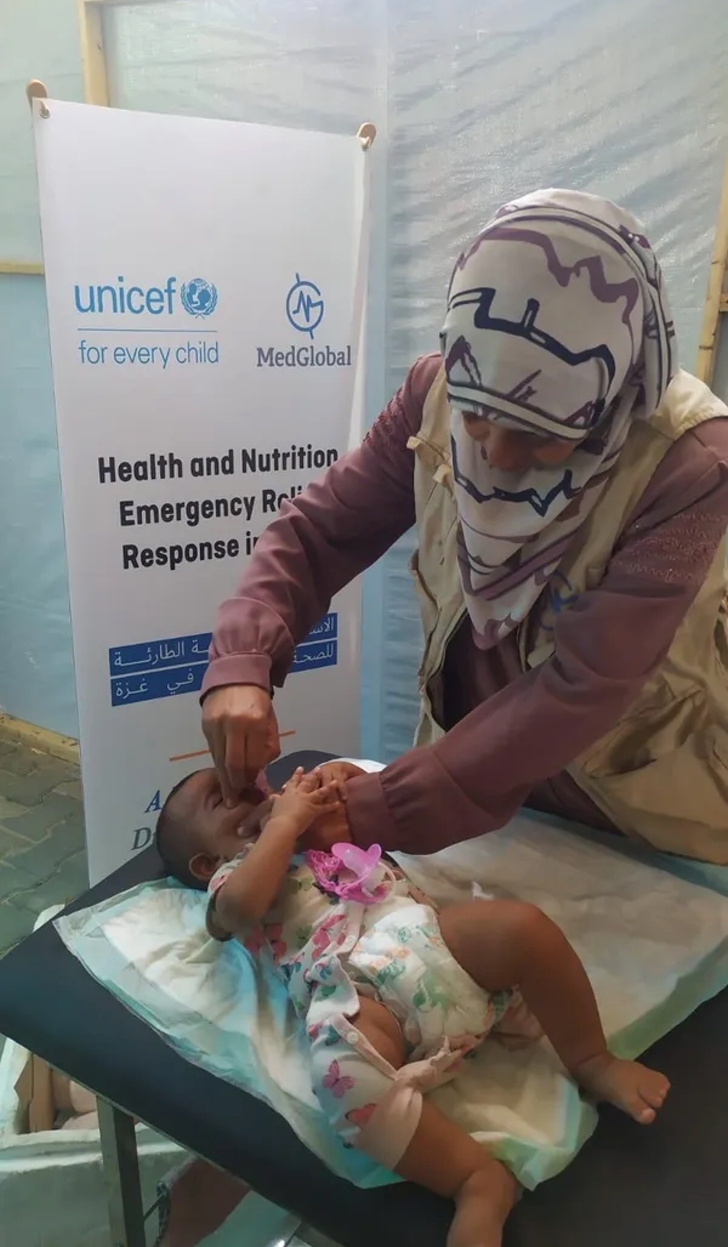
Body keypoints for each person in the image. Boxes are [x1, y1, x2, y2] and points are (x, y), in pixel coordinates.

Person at [202, 189, 728, 864]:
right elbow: (319, 534)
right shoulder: (436, 393)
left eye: (542, 435)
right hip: (465, 775)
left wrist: (374, 807)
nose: (499, 457)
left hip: (630, 802)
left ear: (603, 394)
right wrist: (242, 661)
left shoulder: (690, 465)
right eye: (477, 421)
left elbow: (588, 681)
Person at [155, 762, 669, 1247]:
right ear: (206, 862)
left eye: (246, 783)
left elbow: (366, 808)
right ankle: (474, 1177)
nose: (243, 787)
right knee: (339, 1076)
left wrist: (341, 783)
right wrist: (281, 827)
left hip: (433, 943)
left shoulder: (313, 827)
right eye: (219, 797)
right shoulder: (232, 878)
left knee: (522, 928)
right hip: (357, 995)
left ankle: (591, 1060)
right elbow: (241, 908)